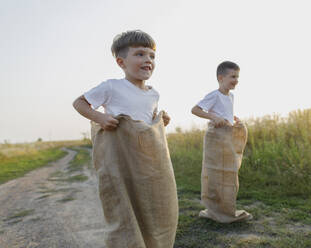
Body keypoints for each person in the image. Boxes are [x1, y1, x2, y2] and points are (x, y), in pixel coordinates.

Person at [73, 30, 178, 248]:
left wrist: (161, 120)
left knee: (149, 202)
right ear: (121, 62)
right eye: (140, 54)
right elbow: (80, 102)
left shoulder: (153, 94)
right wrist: (100, 117)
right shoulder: (112, 87)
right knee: (123, 202)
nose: (148, 60)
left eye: (152, 56)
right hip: (120, 157)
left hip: (145, 159)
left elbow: (146, 125)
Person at [191, 61, 252, 223]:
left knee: (229, 173)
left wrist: (233, 119)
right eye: (233, 76)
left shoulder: (231, 96)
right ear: (221, 77)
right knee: (215, 173)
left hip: (228, 137)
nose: (236, 80)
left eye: (237, 77)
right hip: (216, 137)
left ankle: (226, 209)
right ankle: (214, 210)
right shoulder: (214, 95)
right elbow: (195, 110)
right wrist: (214, 117)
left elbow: (225, 112)